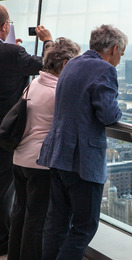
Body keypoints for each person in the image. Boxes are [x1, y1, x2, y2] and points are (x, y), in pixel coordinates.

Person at [37, 24, 127, 260]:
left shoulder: (72, 63)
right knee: (84, 227)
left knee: (56, 223)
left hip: (58, 155)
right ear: (114, 49)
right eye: (121, 54)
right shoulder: (105, 70)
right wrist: (119, 112)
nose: (119, 59)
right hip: (83, 163)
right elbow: (108, 115)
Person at [7, 37, 81, 260]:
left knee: (20, 214)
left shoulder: (35, 83)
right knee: (37, 221)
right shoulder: (58, 92)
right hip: (40, 164)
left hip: (20, 158)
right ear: (66, 64)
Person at [0, 4, 53, 256]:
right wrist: (48, 40)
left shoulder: (12, 53)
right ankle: (2, 241)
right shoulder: (12, 54)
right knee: (3, 189)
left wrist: (13, 50)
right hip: (5, 134)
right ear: (5, 26)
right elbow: (46, 65)